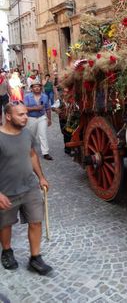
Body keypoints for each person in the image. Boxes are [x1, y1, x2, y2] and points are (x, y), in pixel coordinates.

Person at [0, 101, 53, 275]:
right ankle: (7, 251)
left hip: (30, 188)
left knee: (36, 221)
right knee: (5, 224)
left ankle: (35, 258)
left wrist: (41, 177)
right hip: (6, 191)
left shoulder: (27, 134)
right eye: (20, 115)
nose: (26, 117)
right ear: (8, 116)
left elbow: (32, 155)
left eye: (26, 114)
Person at [23, 81, 53, 160]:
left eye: (38, 86)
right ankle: (29, 151)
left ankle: (45, 153)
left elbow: (48, 108)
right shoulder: (27, 96)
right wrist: (36, 108)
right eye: (34, 86)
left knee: (43, 135)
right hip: (31, 118)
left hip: (41, 117)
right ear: (32, 88)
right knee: (31, 135)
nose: (36, 88)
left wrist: (49, 119)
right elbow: (24, 108)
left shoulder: (45, 96)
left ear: (40, 87)